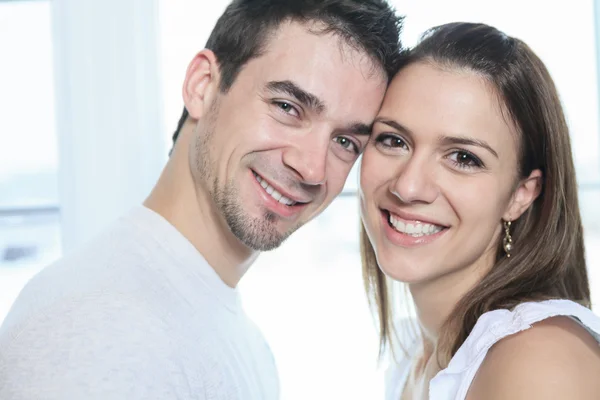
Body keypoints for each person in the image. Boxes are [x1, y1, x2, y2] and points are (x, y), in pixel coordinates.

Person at [0, 1, 403, 398]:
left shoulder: (234, 333)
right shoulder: (100, 329)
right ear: (202, 86)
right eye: (287, 107)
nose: (312, 168)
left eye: (346, 141)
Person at [359, 22, 600, 400]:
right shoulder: (418, 356)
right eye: (393, 140)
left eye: (463, 158)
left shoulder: (538, 361)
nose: (407, 187)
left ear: (521, 194)